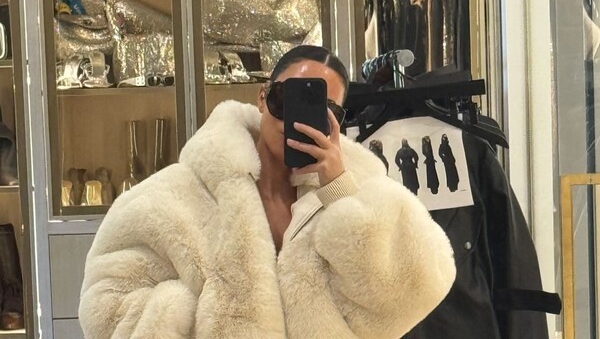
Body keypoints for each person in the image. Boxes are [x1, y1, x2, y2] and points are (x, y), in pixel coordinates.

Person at [78, 45, 455, 338]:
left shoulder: (362, 190)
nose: (293, 120)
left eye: (321, 111)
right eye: (283, 100)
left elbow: (414, 290)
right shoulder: (177, 194)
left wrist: (339, 189)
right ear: (262, 97)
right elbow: (105, 305)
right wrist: (183, 318)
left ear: (338, 122)